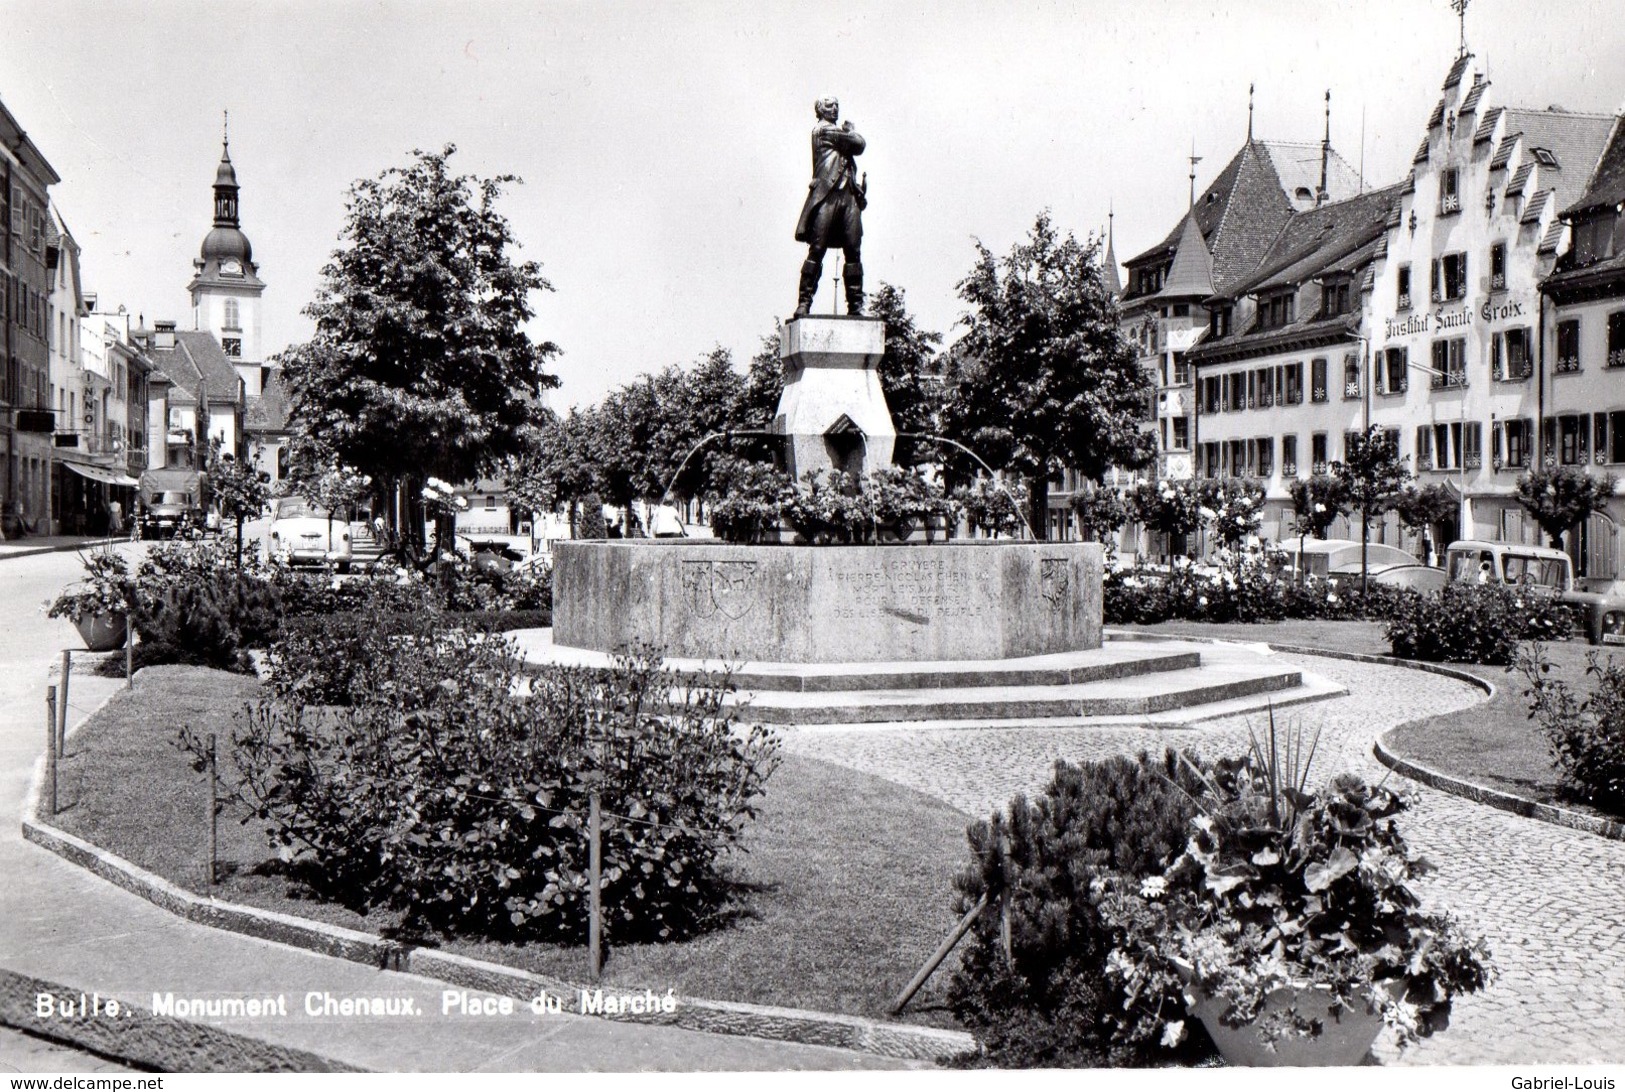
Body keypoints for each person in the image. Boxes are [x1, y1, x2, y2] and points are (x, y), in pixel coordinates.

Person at [793, 96, 867, 317]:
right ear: (819, 110)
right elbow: (859, 144)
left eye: (836, 105)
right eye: (829, 105)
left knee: (853, 250)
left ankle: (855, 305)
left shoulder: (838, 135)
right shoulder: (823, 131)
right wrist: (851, 130)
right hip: (826, 196)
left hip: (848, 197)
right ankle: (804, 302)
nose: (834, 109)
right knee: (817, 249)